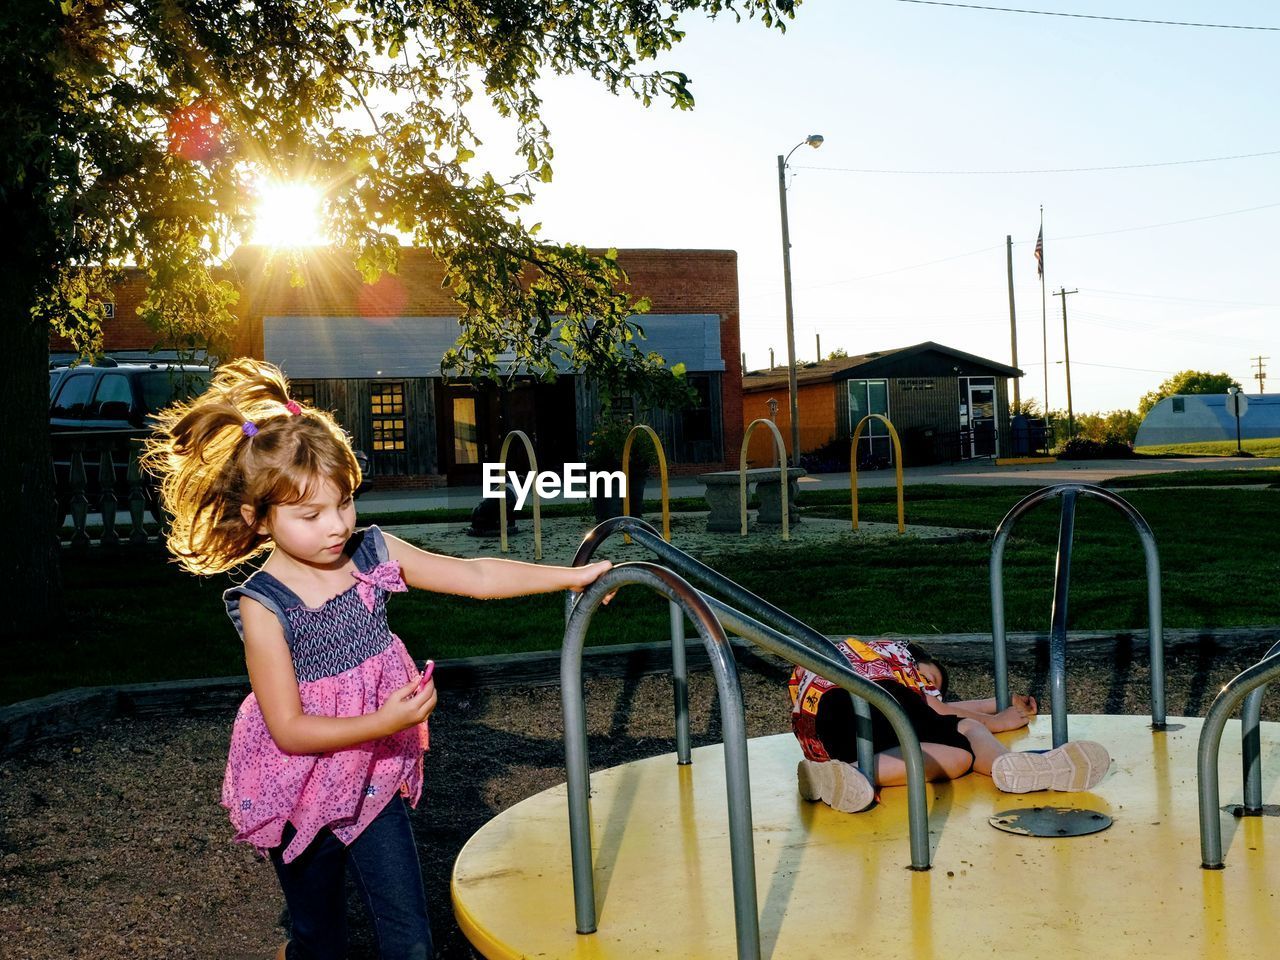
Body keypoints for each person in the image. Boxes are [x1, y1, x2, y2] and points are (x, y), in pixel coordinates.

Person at [143, 358, 611, 960]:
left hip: (372, 778)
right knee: (320, 940)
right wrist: (388, 723)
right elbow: (288, 729)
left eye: (344, 503)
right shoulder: (263, 606)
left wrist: (569, 578)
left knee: (411, 942)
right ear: (257, 518)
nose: (336, 526)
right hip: (299, 788)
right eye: (310, 516)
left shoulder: (372, 552)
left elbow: (475, 575)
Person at [788, 639, 1109, 813]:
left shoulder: (905, 686)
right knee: (967, 729)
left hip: (832, 730)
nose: (930, 685)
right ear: (917, 658)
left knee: (956, 757)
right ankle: (1007, 764)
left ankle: (843, 774)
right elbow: (938, 708)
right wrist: (996, 721)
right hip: (865, 696)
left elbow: (936, 709)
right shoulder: (897, 654)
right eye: (930, 678)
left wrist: (1000, 701)